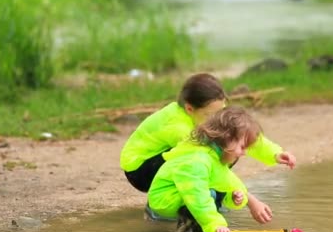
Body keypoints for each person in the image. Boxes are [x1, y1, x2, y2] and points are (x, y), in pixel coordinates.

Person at [119, 73, 296, 223]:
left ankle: (211, 202)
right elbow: (213, 165)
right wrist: (251, 201)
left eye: (220, 111)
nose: (217, 119)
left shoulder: (199, 122)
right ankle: (159, 208)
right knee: (217, 153)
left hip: (165, 158)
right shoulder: (179, 127)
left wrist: (275, 153)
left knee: (226, 147)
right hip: (141, 169)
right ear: (189, 108)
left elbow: (239, 135)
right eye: (210, 115)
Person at [147, 106, 263, 232]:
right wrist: (214, 223)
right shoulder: (197, 160)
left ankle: (197, 231)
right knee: (207, 194)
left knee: (212, 191)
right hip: (163, 199)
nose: (245, 153)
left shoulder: (213, 157)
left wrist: (234, 195)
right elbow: (197, 195)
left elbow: (227, 180)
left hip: (178, 193)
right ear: (227, 138)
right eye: (242, 147)